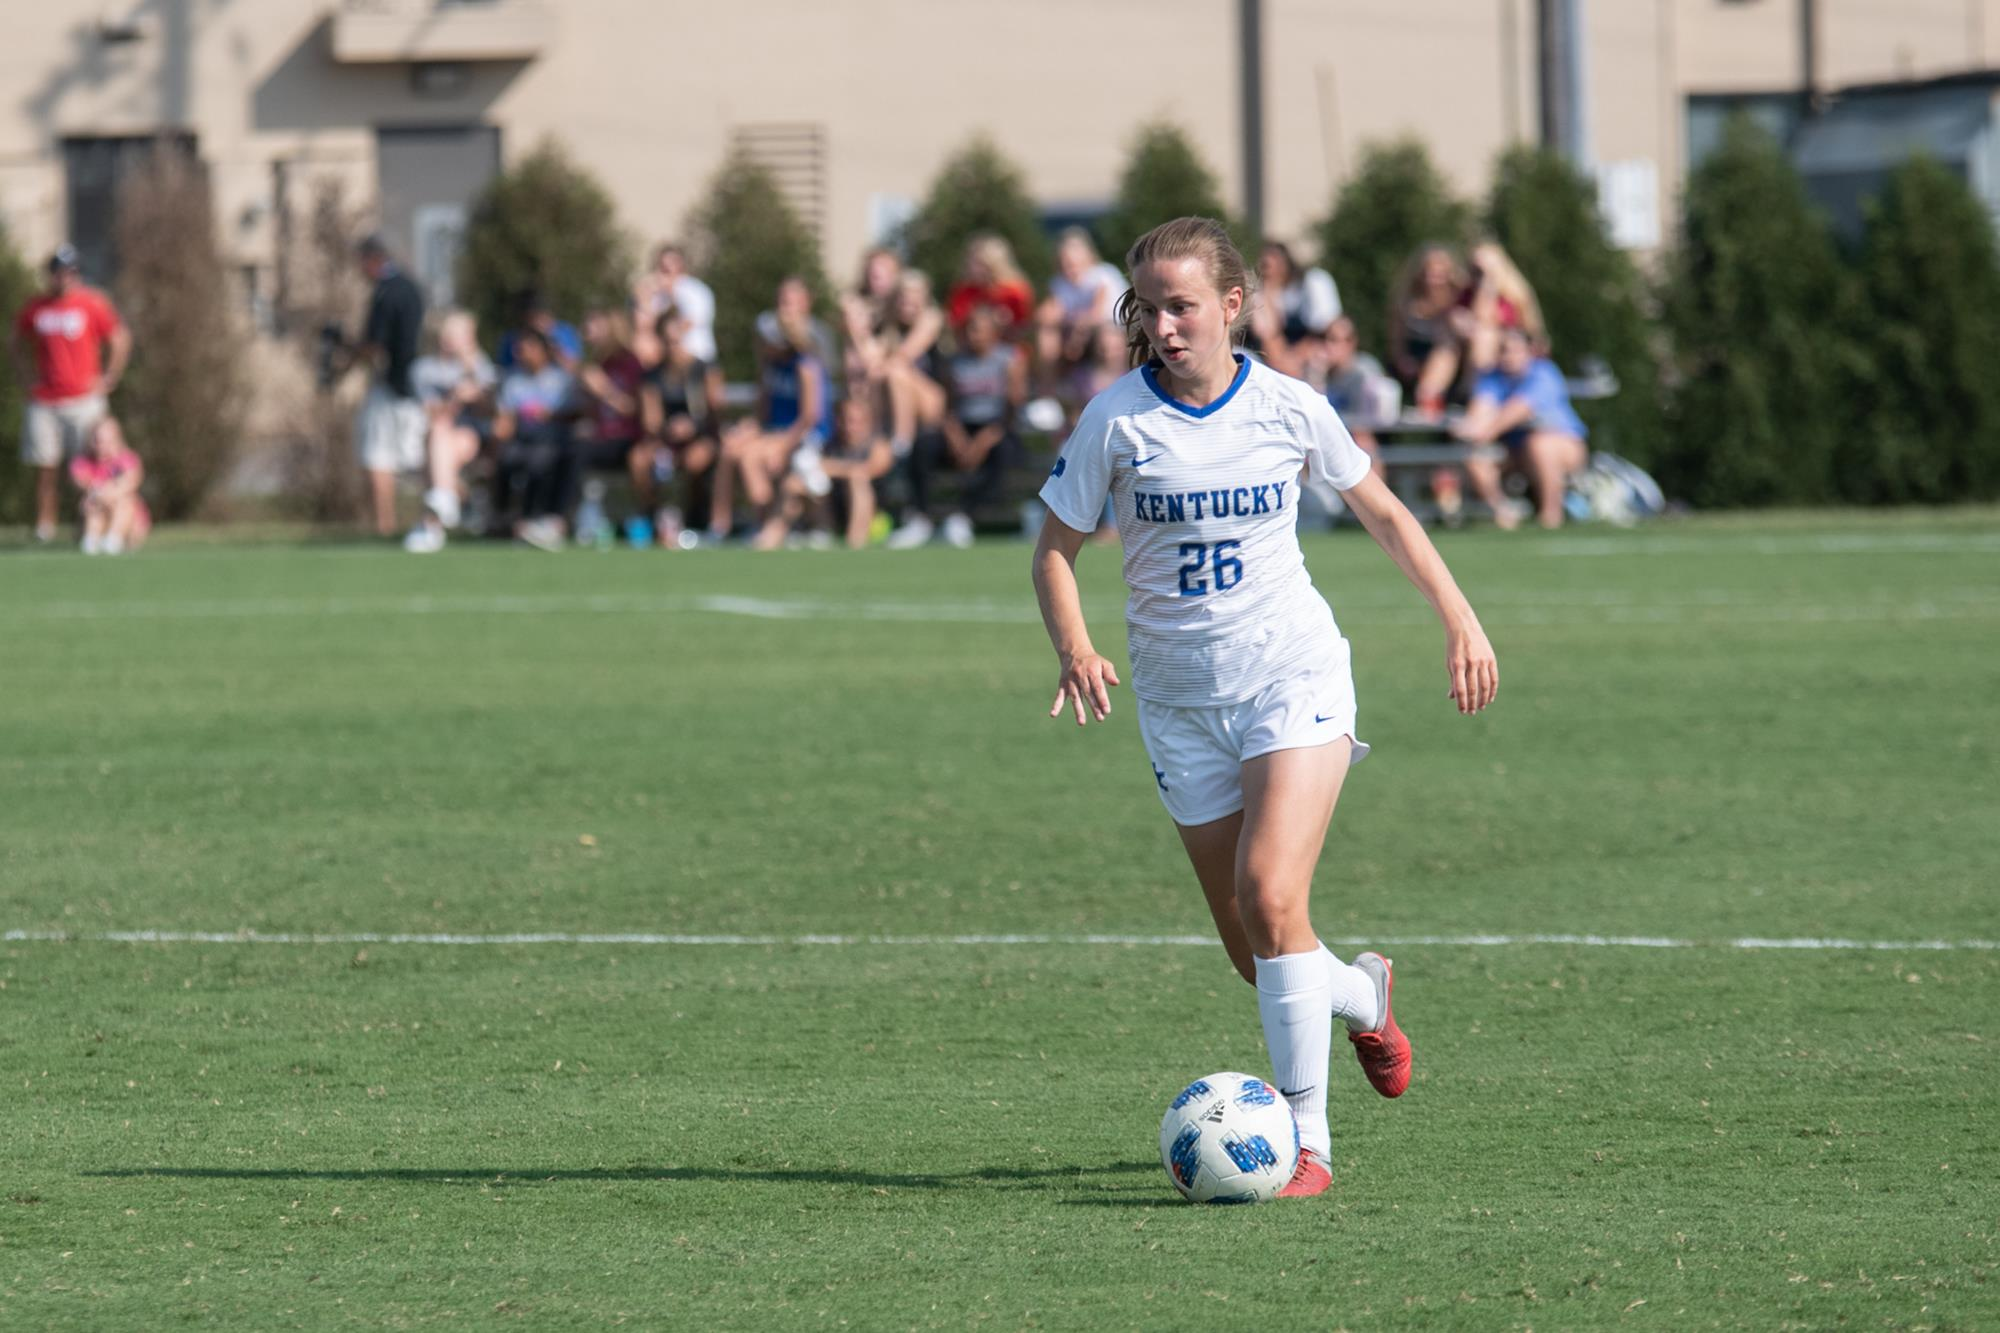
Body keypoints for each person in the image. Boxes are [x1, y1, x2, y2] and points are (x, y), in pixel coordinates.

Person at [1030, 216, 1497, 1200]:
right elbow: (1053, 550)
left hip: (1292, 679)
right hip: (1176, 706)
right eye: (1145, 307)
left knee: (1272, 895)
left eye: (1181, 305)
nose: (1161, 325)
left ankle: (1307, 1145)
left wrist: (1458, 618)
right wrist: (1074, 643)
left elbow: (1381, 509)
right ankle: (1361, 990)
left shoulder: (1288, 407)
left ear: (1231, 306)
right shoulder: (1113, 421)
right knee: (1257, 951)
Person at [12, 244, 130, 544]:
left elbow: (118, 338)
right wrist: (25, 378)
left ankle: (89, 528)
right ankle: (45, 527)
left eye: (70, 272)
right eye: (58, 272)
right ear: (50, 275)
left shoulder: (91, 303)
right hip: (44, 400)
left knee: (91, 468)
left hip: (83, 400)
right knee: (46, 468)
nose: (64, 278)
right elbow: (14, 342)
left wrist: (109, 377)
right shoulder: (36, 307)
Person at [890, 306, 1024, 549]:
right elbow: (948, 407)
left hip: (995, 431)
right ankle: (920, 518)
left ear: (994, 333)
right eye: (969, 330)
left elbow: (1011, 410)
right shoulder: (955, 362)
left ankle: (963, 517)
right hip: (961, 429)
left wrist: (982, 442)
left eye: (979, 330)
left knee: (1004, 454)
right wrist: (956, 438)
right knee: (922, 447)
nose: (973, 335)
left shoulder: (1009, 360)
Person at [713, 280, 831, 545]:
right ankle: (721, 524)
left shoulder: (805, 366)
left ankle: (766, 522)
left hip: (804, 435)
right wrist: (748, 428)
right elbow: (762, 410)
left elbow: (810, 416)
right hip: (776, 431)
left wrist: (782, 447)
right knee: (731, 449)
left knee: (753, 457)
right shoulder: (771, 366)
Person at [1452, 326, 1589, 530]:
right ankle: (1504, 514)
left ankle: (1551, 515)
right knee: (1476, 458)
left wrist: (1483, 431)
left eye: (1514, 350)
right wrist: (1470, 426)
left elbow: (1518, 409)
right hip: (1515, 450)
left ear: (1529, 351)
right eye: (1503, 350)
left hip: (1564, 446)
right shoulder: (1491, 377)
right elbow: (1481, 407)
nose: (1508, 356)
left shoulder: (1544, 373)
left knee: (1540, 445)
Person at [402, 310, 496, 554]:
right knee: (439, 434)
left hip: (471, 437)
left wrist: (474, 383)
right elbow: (432, 413)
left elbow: (492, 411)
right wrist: (455, 398)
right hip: (436, 437)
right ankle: (447, 502)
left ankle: (432, 521)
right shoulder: (423, 369)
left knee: (440, 444)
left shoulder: (481, 365)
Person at [351, 235, 426, 537]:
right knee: (418, 462)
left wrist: (351, 352)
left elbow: (376, 346)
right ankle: (441, 515)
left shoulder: (385, 292)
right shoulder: (412, 288)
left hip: (391, 388)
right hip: (414, 386)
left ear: (372, 260)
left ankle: (385, 527)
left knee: (378, 457)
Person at [640, 306, 727, 545]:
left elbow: (715, 411)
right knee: (641, 460)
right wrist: (669, 430)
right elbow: (651, 419)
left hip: (701, 436)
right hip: (666, 439)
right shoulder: (653, 375)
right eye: (667, 341)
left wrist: (693, 427)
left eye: (676, 340)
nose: (672, 346)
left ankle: (695, 520)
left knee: (695, 460)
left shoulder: (704, 368)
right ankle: (654, 519)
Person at [766, 394, 896, 550]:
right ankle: (770, 538)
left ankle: (855, 543)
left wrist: (831, 467)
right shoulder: (830, 445)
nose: (849, 427)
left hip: (875, 521)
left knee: (857, 479)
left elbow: (870, 469)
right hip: (833, 512)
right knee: (794, 483)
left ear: (868, 423)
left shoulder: (879, 445)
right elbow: (815, 466)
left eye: (855, 421)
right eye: (844, 420)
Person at [489, 327, 578, 550]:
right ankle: (503, 519)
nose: (521, 353)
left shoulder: (562, 380)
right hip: (521, 440)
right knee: (505, 458)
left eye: (527, 347)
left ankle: (536, 520)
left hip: (554, 441)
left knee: (540, 461)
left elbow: (578, 412)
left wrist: (551, 415)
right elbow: (505, 419)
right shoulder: (512, 381)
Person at [573, 307, 657, 538]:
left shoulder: (632, 364)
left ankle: (650, 518)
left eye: (594, 326)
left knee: (580, 453)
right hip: (602, 437)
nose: (587, 331)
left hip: (627, 439)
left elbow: (638, 410)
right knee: (567, 448)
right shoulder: (596, 365)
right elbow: (592, 413)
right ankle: (560, 518)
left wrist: (603, 390)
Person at [1035, 227, 1127, 383]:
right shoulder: (1060, 283)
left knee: (1105, 339)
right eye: (1065, 263)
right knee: (1047, 333)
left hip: (1114, 327)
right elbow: (1048, 313)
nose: (1069, 268)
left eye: (1073, 263)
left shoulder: (1101, 275)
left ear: (1088, 258)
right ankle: (1049, 385)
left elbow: (1096, 314)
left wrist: (1075, 335)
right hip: (1082, 330)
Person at [1387, 245, 1468, 418]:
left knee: (1445, 352)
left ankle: (1428, 400)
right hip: (1414, 355)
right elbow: (1396, 339)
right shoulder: (1406, 301)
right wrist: (1402, 359)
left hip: (1448, 358)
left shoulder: (1458, 298)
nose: (1434, 279)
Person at [1248, 241, 1340, 380]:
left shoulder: (1312, 283)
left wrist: (1296, 355)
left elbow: (1326, 327)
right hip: (1275, 359)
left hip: (1308, 356)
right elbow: (1268, 335)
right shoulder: (1259, 295)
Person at [1458, 240, 1545, 378]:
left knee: (1484, 335)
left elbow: (1485, 317)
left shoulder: (1513, 295)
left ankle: (1478, 387)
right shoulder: (1467, 292)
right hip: (1471, 344)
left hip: (1508, 345)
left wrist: (1487, 285)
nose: (1478, 274)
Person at [69, 415, 149, 555]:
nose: (102, 445)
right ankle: (91, 540)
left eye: (107, 441)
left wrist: (109, 494)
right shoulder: (82, 461)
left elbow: (131, 481)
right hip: (97, 513)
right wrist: (99, 494)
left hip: (129, 521)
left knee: (124, 500)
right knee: (93, 503)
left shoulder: (127, 459)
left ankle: (114, 540)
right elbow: (81, 482)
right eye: (97, 441)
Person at [1321, 316, 1389, 476]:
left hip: (1356, 439)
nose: (1328, 346)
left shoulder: (1363, 372)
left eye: (1335, 340)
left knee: (1364, 444)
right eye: (1326, 338)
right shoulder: (1319, 370)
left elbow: (1363, 426)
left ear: (1351, 343)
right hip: (1326, 439)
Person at [632, 243, 718, 365]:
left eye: (669, 267)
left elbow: (690, 323)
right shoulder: (659, 294)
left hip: (697, 357)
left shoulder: (695, 290)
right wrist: (643, 294)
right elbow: (643, 325)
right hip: (668, 362)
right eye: (662, 267)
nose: (665, 273)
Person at [946, 234, 1035, 336]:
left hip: (1006, 346)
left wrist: (1002, 322)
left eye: (978, 263)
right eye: (970, 262)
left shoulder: (1014, 291)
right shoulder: (964, 291)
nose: (972, 268)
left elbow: (1024, 326)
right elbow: (953, 321)